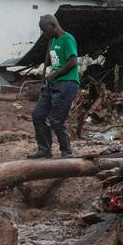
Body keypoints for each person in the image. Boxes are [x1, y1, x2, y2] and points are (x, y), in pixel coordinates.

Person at [27, 14, 80, 159]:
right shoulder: (53, 41)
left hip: (68, 83)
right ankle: (44, 149)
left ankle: (66, 152)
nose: (44, 33)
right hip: (54, 84)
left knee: (56, 120)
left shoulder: (67, 39)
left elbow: (73, 62)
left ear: (53, 26)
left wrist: (54, 75)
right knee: (38, 115)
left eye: (45, 30)